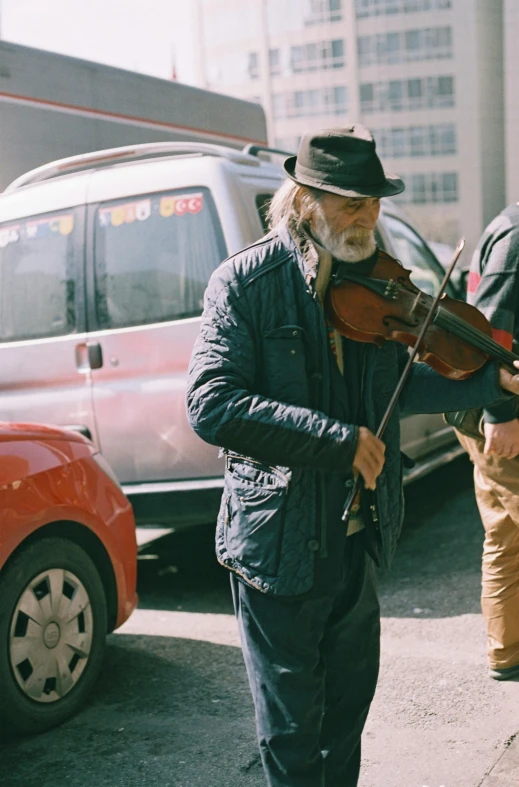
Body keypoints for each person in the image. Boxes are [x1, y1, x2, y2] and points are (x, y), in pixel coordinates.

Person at [186, 126, 519, 787]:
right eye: (350, 204)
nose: (367, 217)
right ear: (305, 200)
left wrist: (490, 383)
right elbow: (211, 404)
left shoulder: (371, 281)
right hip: (275, 547)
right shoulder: (245, 284)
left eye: (372, 202)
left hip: (357, 539)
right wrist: (336, 439)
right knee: (291, 729)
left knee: (346, 714)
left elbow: (400, 382)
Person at [453, 202, 519, 681]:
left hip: (489, 412)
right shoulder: (517, 236)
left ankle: (505, 651)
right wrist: (501, 412)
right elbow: (491, 333)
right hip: (501, 412)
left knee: (504, 535)